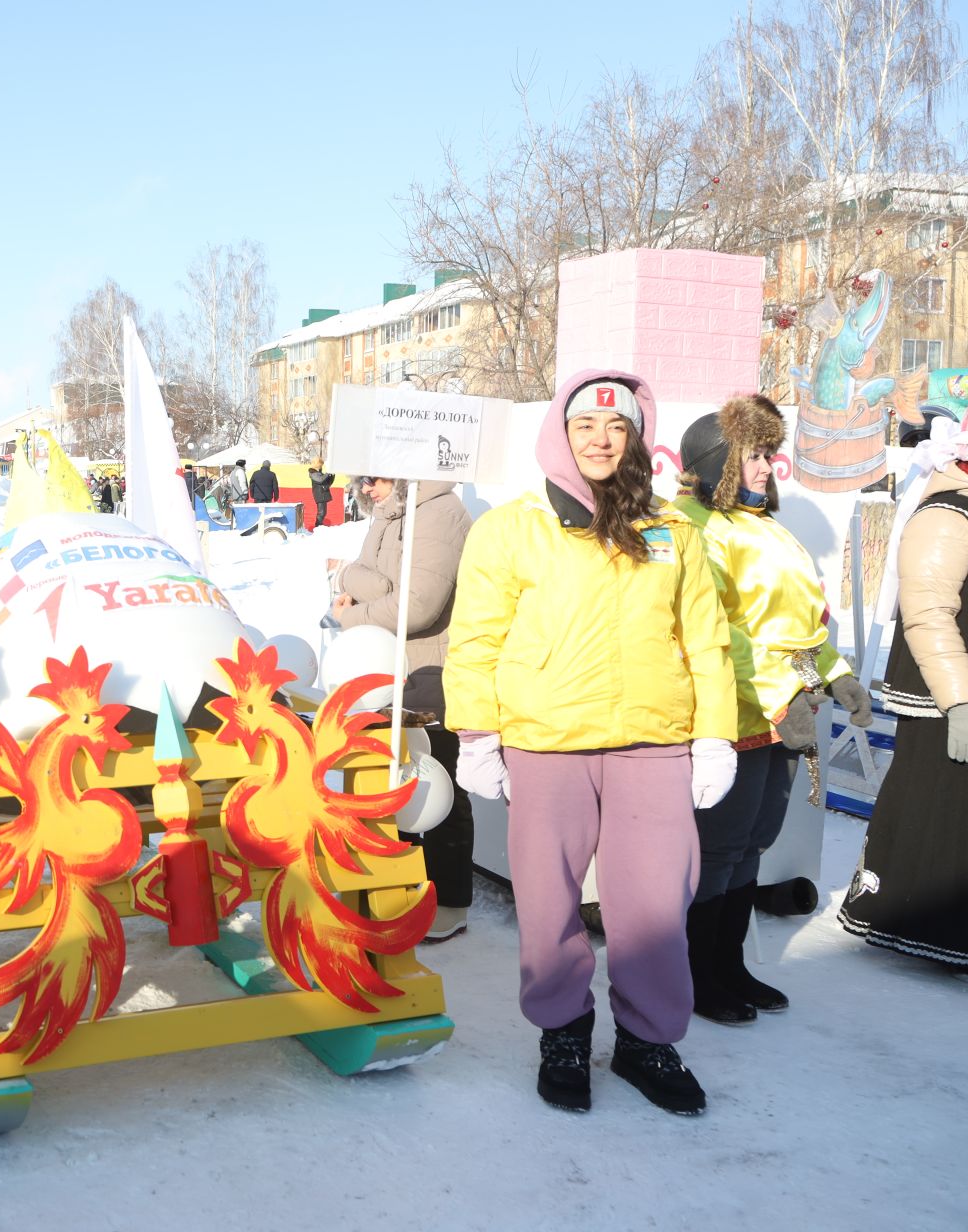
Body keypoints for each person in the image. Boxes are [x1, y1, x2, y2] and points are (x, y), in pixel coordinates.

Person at [444, 370, 735, 1116]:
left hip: (653, 743)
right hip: (548, 744)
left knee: (654, 909)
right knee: (548, 903)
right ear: (560, 433)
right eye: (585, 427)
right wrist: (477, 734)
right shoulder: (510, 529)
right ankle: (564, 1032)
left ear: (637, 437)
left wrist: (714, 738)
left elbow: (705, 643)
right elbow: (475, 642)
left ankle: (646, 1041)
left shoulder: (672, 529)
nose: (601, 440)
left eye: (617, 428)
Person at [675, 396, 873, 1024]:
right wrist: (778, 695)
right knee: (719, 846)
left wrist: (835, 675)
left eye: (769, 455)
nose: (768, 467)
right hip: (729, 715)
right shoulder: (695, 526)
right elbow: (714, 631)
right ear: (717, 461)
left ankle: (729, 964)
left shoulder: (764, 524)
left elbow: (802, 625)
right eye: (755, 456)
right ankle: (694, 972)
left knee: (755, 840)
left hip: (783, 712)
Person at [840, 389, 968, 975]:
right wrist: (962, 702)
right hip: (955, 702)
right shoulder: (946, 514)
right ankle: (943, 931)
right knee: (954, 818)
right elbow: (930, 613)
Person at [330, 474, 473, 940]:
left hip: (429, 671)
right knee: (387, 784)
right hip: (384, 669)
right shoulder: (389, 511)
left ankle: (449, 901)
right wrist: (355, 577)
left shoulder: (440, 512)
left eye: (373, 479)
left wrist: (349, 609)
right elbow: (377, 583)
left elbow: (417, 605)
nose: (365, 488)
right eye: (360, 481)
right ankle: (400, 892)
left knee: (437, 785)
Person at [308, 462, 336, 527]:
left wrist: (332, 475)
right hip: (320, 495)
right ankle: (317, 526)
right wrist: (328, 473)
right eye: (320, 466)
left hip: (323, 494)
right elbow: (320, 480)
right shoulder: (313, 473)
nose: (321, 467)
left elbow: (328, 483)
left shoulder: (319, 474)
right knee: (321, 513)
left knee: (323, 513)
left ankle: (319, 525)